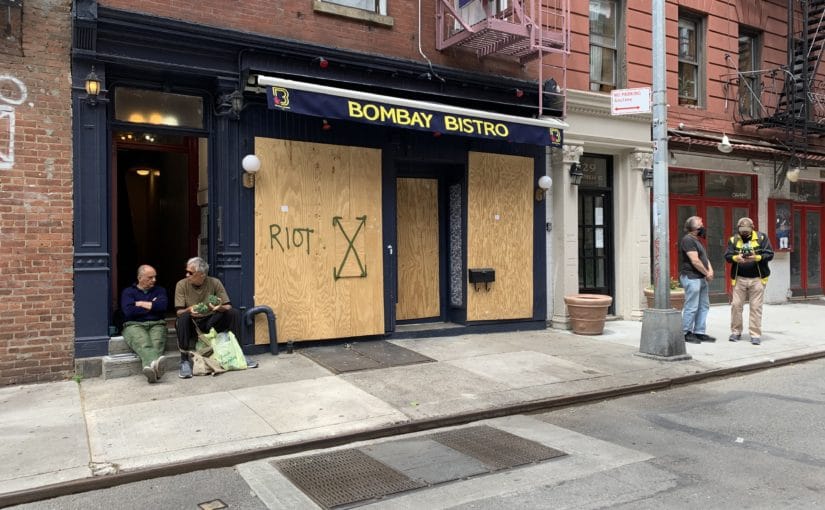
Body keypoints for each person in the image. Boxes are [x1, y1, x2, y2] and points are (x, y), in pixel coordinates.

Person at [174, 257, 257, 378]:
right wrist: (189, 309)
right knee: (182, 318)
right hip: (193, 324)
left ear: (201, 274)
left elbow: (227, 306)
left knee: (234, 313)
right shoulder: (181, 284)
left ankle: (240, 353)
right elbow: (179, 312)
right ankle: (184, 361)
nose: (187, 275)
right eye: (186, 271)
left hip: (211, 322)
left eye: (190, 273)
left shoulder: (214, 282)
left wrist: (218, 307)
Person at [724, 217, 774, 345]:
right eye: (742, 230)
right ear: (738, 228)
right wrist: (736, 257)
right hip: (739, 278)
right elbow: (727, 256)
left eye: (747, 230)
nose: (744, 232)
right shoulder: (733, 239)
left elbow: (769, 254)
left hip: (757, 278)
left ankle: (755, 334)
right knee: (736, 305)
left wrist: (756, 257)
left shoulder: (762, 238)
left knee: (756, 307)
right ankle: (736, 332)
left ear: (752, 227)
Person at [121, 265, 169, 383]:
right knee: (144, 344)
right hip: (134, 324)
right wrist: (151, 305)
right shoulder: (128, 292)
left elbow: (162, 307)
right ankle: (155, 372)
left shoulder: (160, 290)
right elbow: (129, 312)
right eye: (150, 277)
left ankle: (150, 372)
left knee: (157, 345)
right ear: (140, 278)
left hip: (157, 323)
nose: (154, 280)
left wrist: (140, 303)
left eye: (155, 277)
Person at [679, 216, 716, 344]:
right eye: (701, 225)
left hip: (701, 278)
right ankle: (685, 332)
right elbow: (695, 260)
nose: (703, 227)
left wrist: (710, 271)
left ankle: (699, 332)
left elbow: (704, 258)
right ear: (694, 228)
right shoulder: (688, 240)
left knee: (703, 306)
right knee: (692, 306)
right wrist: (707, 273)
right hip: (692, 277)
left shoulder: (697, 241)